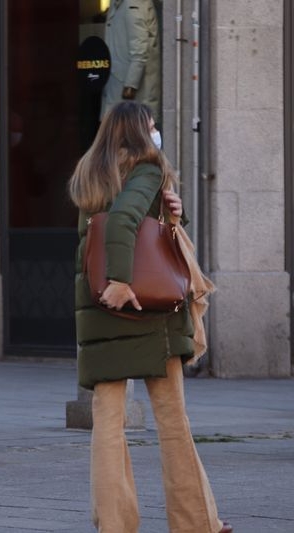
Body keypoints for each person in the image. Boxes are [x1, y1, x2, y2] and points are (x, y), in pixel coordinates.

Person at [68, 101, 230, 533]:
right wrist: (122, 280)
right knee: (172, 420)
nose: (157, 133)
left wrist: (174, 214)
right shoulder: (148, 167)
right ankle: (195, 521)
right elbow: (124, 220)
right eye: (153, 127)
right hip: (148, 310)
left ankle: (114, 525)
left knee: (107, 424)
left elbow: (122, 226)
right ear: (140, 133)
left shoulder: (91, 172)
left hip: (101, 312)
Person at [100, 0, 161, 121]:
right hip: (120, 85)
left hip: (127, 94)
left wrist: (130, 86)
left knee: (127, 133)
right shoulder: (119, 4)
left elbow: (139, 50)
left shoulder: (133, 4)